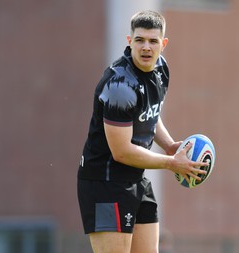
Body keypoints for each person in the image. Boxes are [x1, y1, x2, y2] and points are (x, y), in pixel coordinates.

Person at [77, 10, 208, 253]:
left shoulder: (161, 70)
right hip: (105, 183)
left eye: (153, 41)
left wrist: (169, 145)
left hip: (136, 179)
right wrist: (172, 162)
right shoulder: (119, 86)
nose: (146, 47)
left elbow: (150, 115)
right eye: (140, 40)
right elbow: (122, 152)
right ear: (130, 41)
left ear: (163, 43)